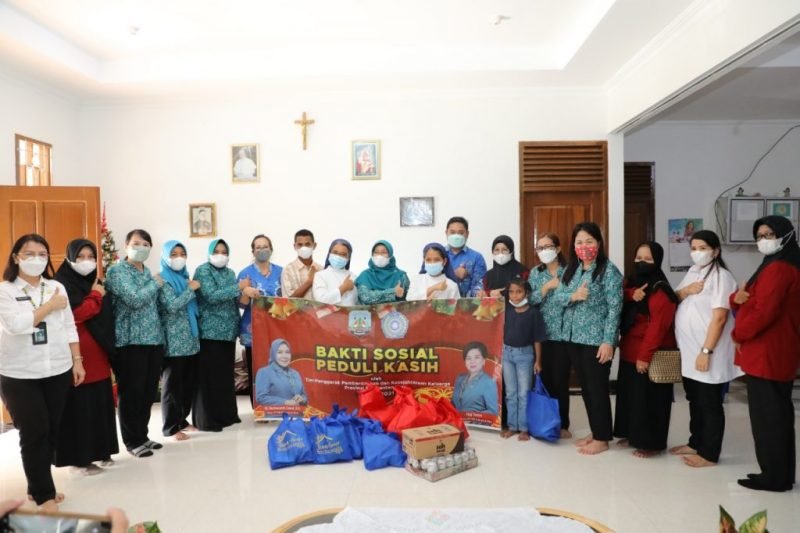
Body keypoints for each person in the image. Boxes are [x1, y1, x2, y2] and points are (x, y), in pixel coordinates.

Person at [0, 234, 85, 511]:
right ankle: (45, 494)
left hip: (57, 368)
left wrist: (77, 360)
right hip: (19, 374)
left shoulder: (56, 286)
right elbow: (16, 325)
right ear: (16, 258)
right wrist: (49, 306)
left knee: (50, 431)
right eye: (29, 253)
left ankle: (36, 485)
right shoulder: (5, 291)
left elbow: (69, 326)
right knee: (34, 431)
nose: (36, 259)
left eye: (42, 254)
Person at [731, 216, 800, 491]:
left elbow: (764, 312)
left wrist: (738, 334)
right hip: (775, 350)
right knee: (777, 415)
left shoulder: (779, 268)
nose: (764, 240)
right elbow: (748, 298)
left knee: (769, 418)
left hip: (768, 352)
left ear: (786, 234)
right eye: (759, 235)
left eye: (769, 234)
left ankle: (774, 477)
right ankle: (779, 473)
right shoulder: (777, 264)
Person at [671, 229, 741, 467]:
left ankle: (709, 453)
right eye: (693, 248)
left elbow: (720, 318)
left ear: (716, 251)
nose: (697, 253)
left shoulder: (722, 277)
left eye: (703, 248)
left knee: (709, 402)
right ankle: (695, 442)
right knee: (694, 398)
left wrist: (706, 351)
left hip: (708, 351)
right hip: (689, 351)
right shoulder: (693, 271)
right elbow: (675, 296)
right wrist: (686, 290)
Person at [553, 222, 623, 455]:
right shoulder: (571, 270)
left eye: (589, 241)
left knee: (597, 389)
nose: (584, 246)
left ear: (599, 244)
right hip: (573, 338)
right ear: (573, 246)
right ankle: (596, 430)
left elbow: (615, 309)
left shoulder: (608, 271)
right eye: (579, 242)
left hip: (596, 340)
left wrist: (608, 341)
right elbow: (558, 297)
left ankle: (602, 438)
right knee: (586, 388)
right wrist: (573, 295)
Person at [53, 239, 118, 475]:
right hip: (76, 353)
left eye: (91, 257)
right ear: (69, 258)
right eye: (80, 257)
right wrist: (95, 296)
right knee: (79, 404)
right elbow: (76, 314)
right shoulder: (61, 284)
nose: (86, 262)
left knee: (100, 401)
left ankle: (102, 451)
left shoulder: (95, 282)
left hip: (98, 351)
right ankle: (79, 459)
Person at [613, 241, 678, 458]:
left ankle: (651, 444)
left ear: (657, 261)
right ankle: (632, 435)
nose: (642, 262)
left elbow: (657, 327)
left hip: (650, 354)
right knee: (631, 397)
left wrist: (644, 356)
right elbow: (618, 297)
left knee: (651, 400)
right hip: (629, 351)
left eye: (648, 259)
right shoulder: (631, 283)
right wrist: (631, 294)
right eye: (638, 258)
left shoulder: (661, 289)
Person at [105, 229, 164, 459]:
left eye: (145, 244)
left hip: (152, 339)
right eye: (136, 243)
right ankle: (132, 440)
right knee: (131, 392)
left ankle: (143, 435)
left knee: (148, 392)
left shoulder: (146, 271)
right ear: (126, 245)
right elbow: (134, 299)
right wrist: (155, 284)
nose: (141, 247)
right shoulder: (117, 271)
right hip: (129, 341)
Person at [192, 239, 243, 432]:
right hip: (210, 331)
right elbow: (211, 296)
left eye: (224, 251)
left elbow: (233, 301)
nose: (220, 255)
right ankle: (208, 419)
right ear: (209, 253)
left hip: (228, 332)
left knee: (224, 376)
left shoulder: (230, 273)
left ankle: (226, 415)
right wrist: (238, 287)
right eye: (216, 251)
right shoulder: (203, 270)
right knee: (209, 377)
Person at [157, 240, 201, 441]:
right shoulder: (162, 280)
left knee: (187, 383)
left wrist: (189, 287)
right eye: (173, 254)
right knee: (172, 386)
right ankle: (170, 427)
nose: (178, 258)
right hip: (173, 340)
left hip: (190, 338)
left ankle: (182, 420)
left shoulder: (184, 278)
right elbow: (171, 306)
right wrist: (190, 289)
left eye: (182, 254)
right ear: (165, 257)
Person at [529, 232, 571, 438]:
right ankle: (545, 421)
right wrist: (546, 287)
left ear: (558, 248)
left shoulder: (570, 271)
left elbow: (573, 298)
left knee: (561, 380)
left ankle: (562, 424)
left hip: (563, 334)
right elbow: (529, 299)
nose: (543, 251)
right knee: (543, 378)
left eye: (548, 247)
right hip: (541, 334)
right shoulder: (535, 273)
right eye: (540, 248)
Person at [237, 234, 283, 402]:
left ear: (271, 249)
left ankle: (277, 405)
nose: (262, 250)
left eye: (265, 246)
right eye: (258, 247)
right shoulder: (245, 274)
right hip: (253, 330)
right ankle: (258, 406)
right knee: (256, 369)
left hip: (277, 328)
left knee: (278, 367)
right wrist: (245, 292)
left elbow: (289, 300)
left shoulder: (281, 272)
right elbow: (241, 305)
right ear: (253, 251)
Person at [501, 277, 546, 440]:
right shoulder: (506, 310)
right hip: (506, 355)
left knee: (524, 393)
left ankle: (524, 428)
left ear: (526, 293)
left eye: (519, 292)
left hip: (525, 356)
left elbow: (537, 339)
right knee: (510, 392)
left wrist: (538, 361)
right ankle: (512, 426)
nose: (515, 296)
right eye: (511, 292)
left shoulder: (533, 313)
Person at [254, 339, 307, 406]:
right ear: (273, 354)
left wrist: (302, 399)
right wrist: (285, 402)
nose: (284, 356)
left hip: (297, 411)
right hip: (276, 412)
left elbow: (304, 395)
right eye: (279, 352)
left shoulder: (295, 373)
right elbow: (261, 398)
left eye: (287, 352)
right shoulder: (264, 372)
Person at [355, 240, 409, 305]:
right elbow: (366, 297)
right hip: (370, 311)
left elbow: (409, 298)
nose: (379, 256)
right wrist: (393, 292)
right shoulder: (365, 275)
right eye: (376, 252)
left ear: (390, 255)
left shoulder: (401, 276)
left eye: (384, 252)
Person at [452, 341, 498, 415]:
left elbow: (493, 412)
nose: (472, 361)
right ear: (465, 361)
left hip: (476, 421)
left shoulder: (489, 382)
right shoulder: (460, 379)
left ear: (483, 361)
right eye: (468, 358)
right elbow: (453, 404)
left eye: (476, 357)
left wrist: (471, 416)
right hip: (456, 421)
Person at [445, 216, 487, 297]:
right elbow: (427, 280)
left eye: (461, 233)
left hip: (467, 303)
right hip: (441, 302)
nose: (456, 236)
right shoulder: (437, 255)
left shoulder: (477, 257)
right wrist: (454, 275)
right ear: (446, 233)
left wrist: (478, 293)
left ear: (467, 234)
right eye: (452, 232)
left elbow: (478, 285)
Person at [312, 239, 358, 305]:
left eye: (343, 254)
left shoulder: (353, 276)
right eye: (335, 253)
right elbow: (320, 300)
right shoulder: (320, 275)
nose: (338, 257)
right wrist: (343, 288)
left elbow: (354, 302)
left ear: (349, 258)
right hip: (326, 312)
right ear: (329, 254)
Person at [281, 229, 322, 299]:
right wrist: (310, 281)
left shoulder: (321, 269)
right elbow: (290, 300)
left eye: (307, 244)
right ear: (295, 246)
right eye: (300, 244)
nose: (304, 248)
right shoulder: (288, 270)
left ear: (314, 245)